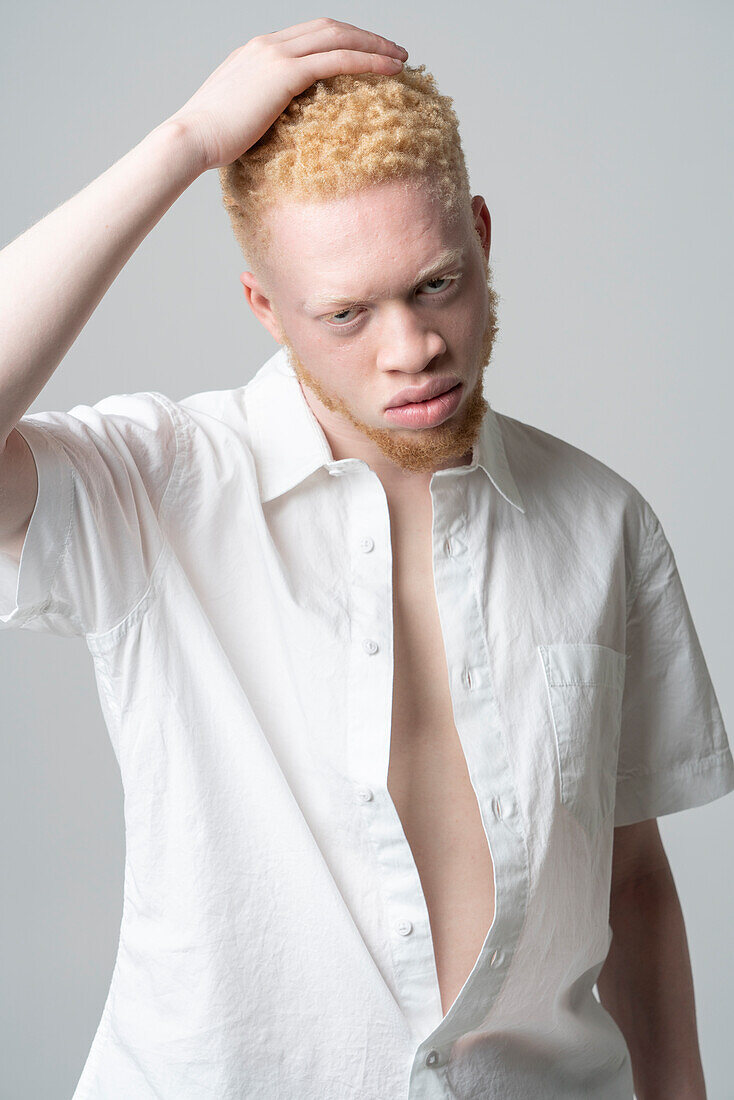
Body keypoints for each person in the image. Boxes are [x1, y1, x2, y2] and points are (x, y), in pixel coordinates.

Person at [0, 17, 731, 1099]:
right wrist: (189, 139)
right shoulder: (158, 486)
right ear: (267, 309)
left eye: (436, 283)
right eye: (344, 312)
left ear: (481, 235)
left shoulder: (600, 519)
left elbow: (627, 878)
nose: (411, 348)